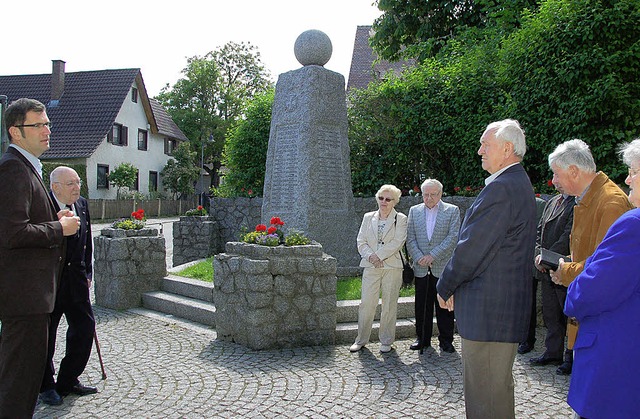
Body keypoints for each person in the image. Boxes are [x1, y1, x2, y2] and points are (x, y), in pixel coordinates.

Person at [436, 119, 537, 419]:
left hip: (489, 316)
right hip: (498, 314)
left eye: (485, 144)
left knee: (486, 403)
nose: (479, 150)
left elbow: (472, 249)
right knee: (494, 396)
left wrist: (446, 285)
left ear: (507, 148)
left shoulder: (503, 189)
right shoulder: (516, 183)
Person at [0, 98, 80, 416]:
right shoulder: (13, 170)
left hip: (32, 297)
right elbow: (12, 234)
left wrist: (51, 218)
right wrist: (59, 228)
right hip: (24, 298)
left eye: (47, 123)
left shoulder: (27, 168)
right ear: (15, 132)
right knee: (18, 385)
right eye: (38, 125)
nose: (47, 130)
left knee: (22, 380)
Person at [563, 139, 640, 418]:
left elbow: (591, 290)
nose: (628, 178)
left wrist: (571, 285)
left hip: (616, 362)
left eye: (633, 171)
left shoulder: (634, 225)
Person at [547, 139, 632, 375]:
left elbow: (605, 269)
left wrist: (565, 271)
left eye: (556, 174)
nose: (553, 181)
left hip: (603, 325)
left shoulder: (610, 202)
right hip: (591, 322)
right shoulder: (589, 199)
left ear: (573, 171)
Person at [39, 167, 98, 406]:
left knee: (85, 328)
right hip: (51, 284)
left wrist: (88, 272)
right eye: (71, 183)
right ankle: (45, 385)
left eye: (78, 183)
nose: (77, 188)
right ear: (56, 187)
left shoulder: (82, 204)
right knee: (46, 337)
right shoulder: (42, 207)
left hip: (77, 282)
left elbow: (87, 243)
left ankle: (68, 379)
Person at [350, 184, 407, 354]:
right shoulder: (368, 217)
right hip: (370, 265)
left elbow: (398, 242)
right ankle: (361, 339)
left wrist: (379, 256)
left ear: (395, 201)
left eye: (388, 199)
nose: (384, 201)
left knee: (389, 304)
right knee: (366, 303)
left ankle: (386, 340)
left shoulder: (401, 219)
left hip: (392, 267)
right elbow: (361, 241)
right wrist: (371, 257)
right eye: (381, 198)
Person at [406, 179, 460, 353]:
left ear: (440, 194)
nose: (428, 198)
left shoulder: (452, 211)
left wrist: (432, 255)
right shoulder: (414, 211)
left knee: (444, 304)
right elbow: (410, 237)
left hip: (442, 266)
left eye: (433, 194)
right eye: (425, 194)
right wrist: (419, 256)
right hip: (421, 266)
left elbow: (453, 238)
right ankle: (422, 339)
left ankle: (446, 340)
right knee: (422, 305)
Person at [527, 187, 575, 369]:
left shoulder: (576, 203)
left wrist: (547, 257)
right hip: (546, 268)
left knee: (569, 314)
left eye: (557, 175)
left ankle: (570, 356)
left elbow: (567, 236)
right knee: (551, 313)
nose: (555, 181)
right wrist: (539, 254)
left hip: (564, 267)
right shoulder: (553, 202)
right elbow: (540, 230)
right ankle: (553, 352)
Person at [518, 195, 548, 355]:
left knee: (527, 303)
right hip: (510, 262)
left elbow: (539, 233)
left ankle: (527, 339)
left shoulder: (539, 205)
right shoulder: (506, 202)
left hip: (528, 261)